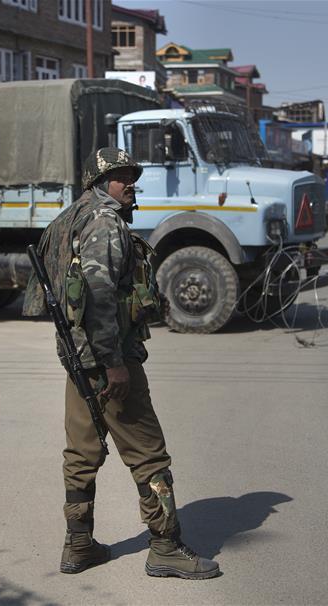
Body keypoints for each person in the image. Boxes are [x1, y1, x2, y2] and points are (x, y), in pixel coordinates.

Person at [23, 148, 220, 580]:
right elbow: (98, 296)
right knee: (148, 454)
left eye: (132, 174)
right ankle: (165, 547)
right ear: (99, 183)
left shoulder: (69, 218)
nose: (129, 182)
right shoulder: (105, 222)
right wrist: (115, 365)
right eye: (119, 176)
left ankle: (78, 546)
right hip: (108, 360)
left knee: (81, 453)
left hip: (79, 358)